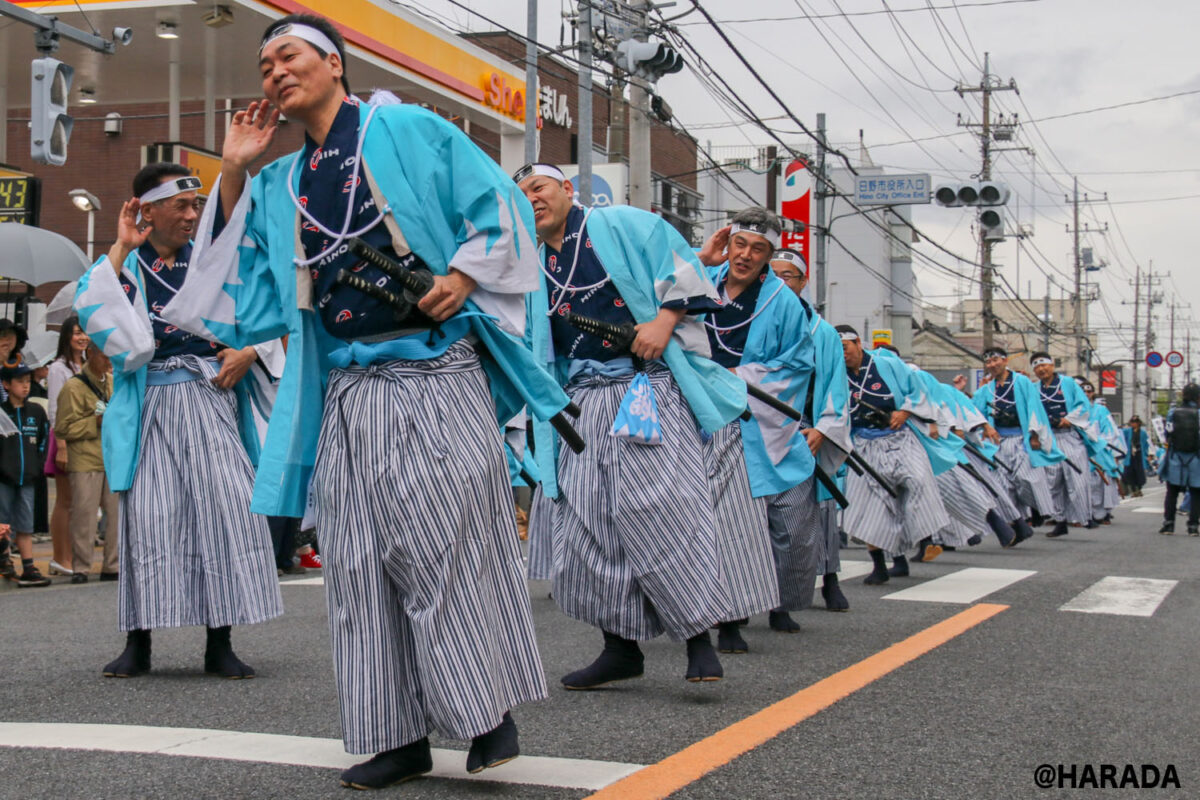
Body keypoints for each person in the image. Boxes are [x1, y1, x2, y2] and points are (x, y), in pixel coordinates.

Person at [159, 15, 553, 788]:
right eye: (265, 63)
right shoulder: (278, 182)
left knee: (444, 547)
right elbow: (239, 293)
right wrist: (234, 169)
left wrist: (466, 277)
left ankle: (486, 714)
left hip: (433, 376)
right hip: (343, 390)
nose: (275, 72)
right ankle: (394, 733)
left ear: (334, 63)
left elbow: (500, 205)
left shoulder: (403, 126)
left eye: (290, 55)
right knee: (358, 564)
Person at [517, 162, 744, 687]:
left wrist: (664, 321)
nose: (532, 199)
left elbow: (681, 268)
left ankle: (698, 640)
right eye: (521, 194)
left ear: (568, 190)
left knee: (662, 508)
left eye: (540, 188)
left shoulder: (620, 224)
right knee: (591, 521)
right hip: (576, 400)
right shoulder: (528, 260)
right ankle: (619, 646)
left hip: (644, 387)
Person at [73, 160, 284, 680]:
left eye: (197, 205)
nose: (193, 215)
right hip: (151, 406)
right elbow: (89, 306)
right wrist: (120, 245)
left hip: (211, 396)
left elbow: (265, 309)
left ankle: (221, 640)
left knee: (224, 512)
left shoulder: (213, 261)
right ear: (148, 210)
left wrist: (249, 352)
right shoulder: (122, 266)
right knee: (150, 517)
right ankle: (138, 641)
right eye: (183, 206)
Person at [695, 210, 816, 648]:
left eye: (758, 249)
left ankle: (731, 617)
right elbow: (657, 295)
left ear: (768, 256)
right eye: (740, 244)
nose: (746, 256)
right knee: (692, 518)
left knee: (735, 520)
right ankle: (696, 606)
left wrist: (738, 380)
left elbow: (798, 366)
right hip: (689, 412)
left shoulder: (782, 301)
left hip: (742, 419)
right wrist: (702, 260)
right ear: (727, 242)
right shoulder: (700, 277)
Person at [768, 248, 852, 611]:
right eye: (772, 275)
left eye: (788, 275)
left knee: (816, 512)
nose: (780, 282)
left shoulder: (825, 333)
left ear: (803, 282)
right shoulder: (752, 320)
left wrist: (824, 429)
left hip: (805, 430)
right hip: (758, 429)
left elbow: (835, 386)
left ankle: (829, 577)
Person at [836, 326, 950, 585]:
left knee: (919, 481)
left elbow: (917, 390)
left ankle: (925, 539)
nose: (841, 354)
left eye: (845, 348)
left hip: (898, 436)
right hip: (863, 443)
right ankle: (879, 565)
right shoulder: (835, 373)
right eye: (836, 350)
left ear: (857, 343)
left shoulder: (888, 363)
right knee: (871, 506)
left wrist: (905, 412)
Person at [971, 347, 1059, 542]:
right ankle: (1018, 524)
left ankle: (1035, 509)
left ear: (1005, 361)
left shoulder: (1022, 382)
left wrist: (1035, 435)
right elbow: (974, 412)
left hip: (1022, 438)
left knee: (1026, 478)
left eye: (995, 360)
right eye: (988, 362)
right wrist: (985, 426)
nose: (992, 365)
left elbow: (1034, 407)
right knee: (1003, 487)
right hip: (998, 442)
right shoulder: (986, 389)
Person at [54, 343, 120, 583]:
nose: (109, 362)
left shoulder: (113, 382)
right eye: (105, 356)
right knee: (84, 515)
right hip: (84, 458)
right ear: (90, 353)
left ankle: (112, 564)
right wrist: (95, 422)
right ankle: (81, 566)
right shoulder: (73, 387)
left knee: (115, 515)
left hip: (111, 457)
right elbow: (62, 427)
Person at [1029, 353, 1100, 538]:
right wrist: (1034, 435)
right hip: (1048, 437)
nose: (1041, 369)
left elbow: (1083, 405)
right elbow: (1032, 413)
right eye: (1037, 367)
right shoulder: (1034, 388)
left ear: (1052, 365)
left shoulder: (1068, 384)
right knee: (1053, 481)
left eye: (1044, 365)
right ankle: (1060, 520)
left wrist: (1069, 419)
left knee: (1077, 477)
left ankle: (1086, 516)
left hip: (1069, 436)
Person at [45, 315, 90, 577]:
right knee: (65, 500)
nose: (82, 337)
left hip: (84, 439)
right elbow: (54, 410)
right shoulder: (58, 368)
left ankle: (71, 556)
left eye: (85, 332)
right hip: (63, 438)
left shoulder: (88, 364)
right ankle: (60, 557)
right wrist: (60, 445)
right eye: (76, 333)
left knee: (80, 501)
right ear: (66, 336)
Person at [0, 362, 51, 587]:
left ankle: (29, 565)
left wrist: (37, 466)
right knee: (3, 523)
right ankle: (5, 561)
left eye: (28, 382)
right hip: (4, 478)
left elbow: (43, 440)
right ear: (6, 384)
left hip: (28, 477)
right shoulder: (2, 413)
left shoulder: (36, 412)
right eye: (20, 382)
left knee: (25, 523)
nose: (25, 386)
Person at [1158, 383, 1200, 535]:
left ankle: (1169, 524)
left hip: (1176, 456)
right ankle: (1193, 526)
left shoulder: (1173, 412)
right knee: (1196, 492)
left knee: (1172, 491)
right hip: (1196, 458)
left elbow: (1167, 434)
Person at [1123, 416, 1149, 497]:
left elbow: (1146, 444)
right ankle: (1133, 490)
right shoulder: (1127, 431)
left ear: (1138, 423)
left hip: (1139, 455)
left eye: (1135, 422)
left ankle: (1139, 489)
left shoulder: (1143, 433)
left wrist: (1147, 455)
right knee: (1129, 473)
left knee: (1139, 472)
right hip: (1130, 455)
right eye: (1132, 422)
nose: (1133, 424)